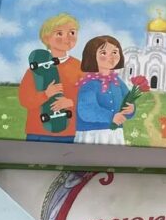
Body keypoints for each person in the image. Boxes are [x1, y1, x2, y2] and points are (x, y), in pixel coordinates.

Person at [18, 13, 81, 142]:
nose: (67, 38)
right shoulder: (35, 69)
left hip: (69, 132)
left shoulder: (79, 67)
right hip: (38, 131)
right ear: (47, 38)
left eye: (72, 32)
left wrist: (71, 102)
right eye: (59, 33)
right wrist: (45, 94)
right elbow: (25, 100)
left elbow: (88, 97)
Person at [75, 35, 135, 145]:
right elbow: (86, 110)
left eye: (114, 52)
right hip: (93, 134)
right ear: (92, 56)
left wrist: (130, 109)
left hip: (115, 133)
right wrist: (111, 117)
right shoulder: (89, 83)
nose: (111, 57)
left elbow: (128, 99)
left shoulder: (117, 81)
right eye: (103, 53)